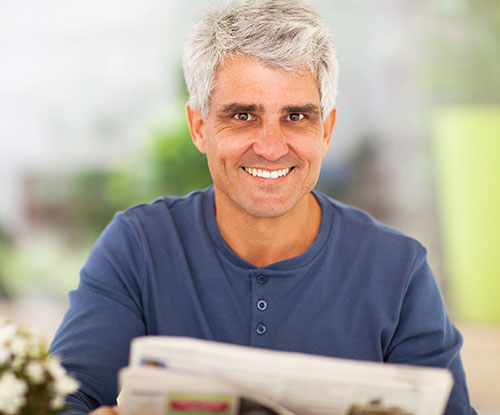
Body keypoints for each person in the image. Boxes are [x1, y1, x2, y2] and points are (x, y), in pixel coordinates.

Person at [50, 1, 476, 414]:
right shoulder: (138, 247)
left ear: (325, 131)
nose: (271, 147)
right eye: (242, 116)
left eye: (295, 117)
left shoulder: (398, 269)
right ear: (199, 127)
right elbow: (61, 400)